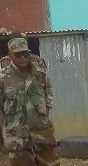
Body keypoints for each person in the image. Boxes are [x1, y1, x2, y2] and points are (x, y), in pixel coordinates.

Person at [0, 38, 58, 166]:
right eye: (18, 54)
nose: (23, 57)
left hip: (42, 131)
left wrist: (47, 106)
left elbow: (48, 89)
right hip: (17, 135)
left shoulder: (39, 73)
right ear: (10, 55)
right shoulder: (3, 77)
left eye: (25, 54)